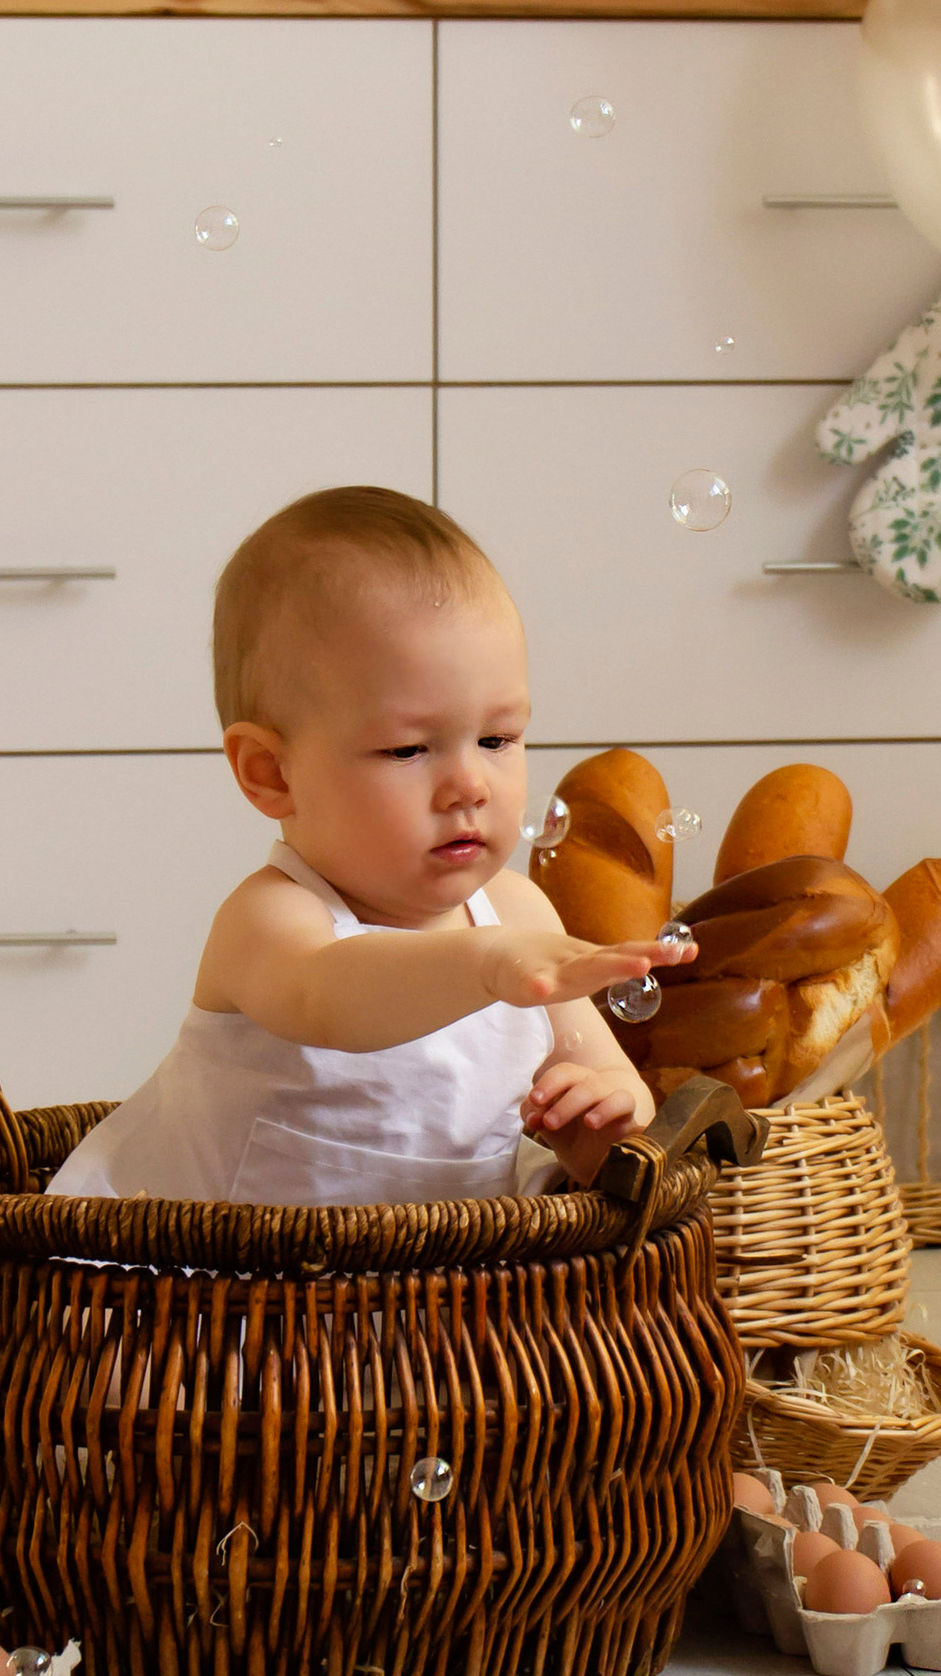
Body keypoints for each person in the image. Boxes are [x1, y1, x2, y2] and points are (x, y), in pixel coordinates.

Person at [47, 487, 688, 1208]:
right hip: (214, 1295)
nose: (469, 785)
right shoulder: (273, 921)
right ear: (271, 773)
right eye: (408, 749)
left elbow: (614, 1090)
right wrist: (485, 964)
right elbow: (329, 997)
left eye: (498, 738)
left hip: (435, 1302)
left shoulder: (518, 914)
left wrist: (602, 1116)